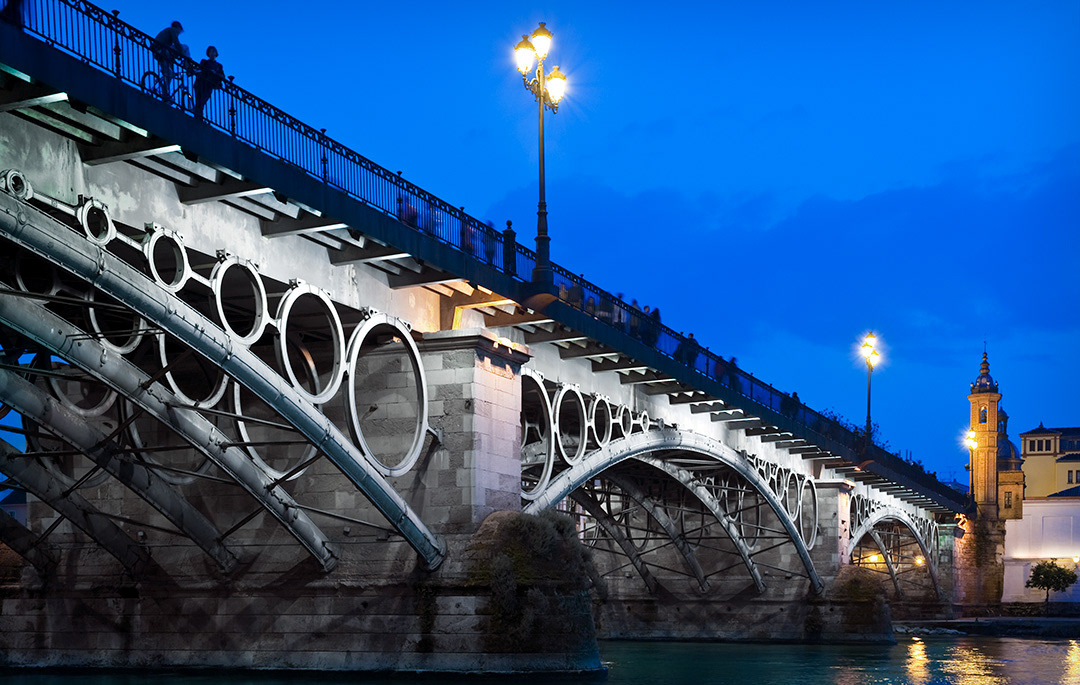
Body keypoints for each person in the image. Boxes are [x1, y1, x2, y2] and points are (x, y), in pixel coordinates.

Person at [153, 21, 185, 99]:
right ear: (178, 28)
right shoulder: (172, 30)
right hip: (161, 50)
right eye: (180, 31)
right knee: (185, 47)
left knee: (169, 73)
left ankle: (165, 91)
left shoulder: (168, 31)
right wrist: (182, 55)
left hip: (161, 51)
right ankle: (188, 64)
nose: (179, 33)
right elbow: (176, 43)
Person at [193, 46, 224, 120]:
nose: (212, 53)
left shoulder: (219, 66)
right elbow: (200, 70)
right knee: (199, 101)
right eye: (210, 52)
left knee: (203, 101)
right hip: (200, 84)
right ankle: (198, 116)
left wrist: (215, 73)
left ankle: (199, 116)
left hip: (209, 85)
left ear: (216, 53)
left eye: (213, 51)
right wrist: (210, 71)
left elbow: (222, 76)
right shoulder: (204, 62)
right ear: (208, 54)